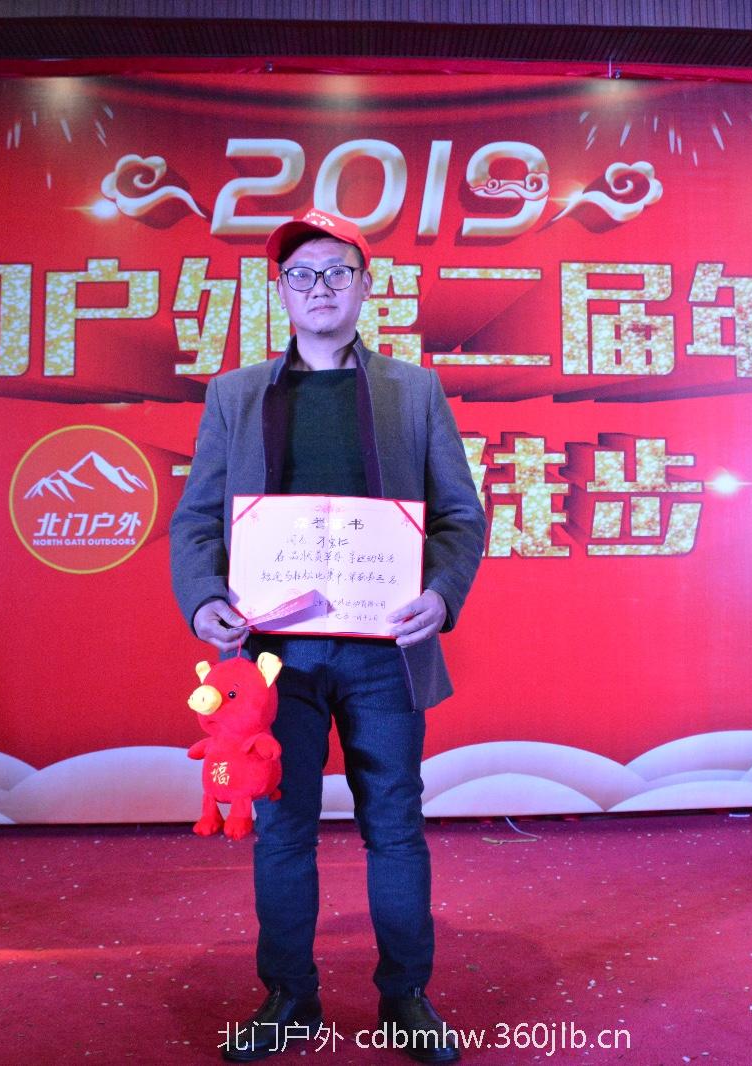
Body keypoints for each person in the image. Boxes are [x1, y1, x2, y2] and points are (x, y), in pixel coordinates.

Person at [170, 208, 487, 1063]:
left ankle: (406, 996)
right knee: (283, 830)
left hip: (387, 650)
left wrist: (441, 595)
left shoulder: (413, 391)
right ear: (281, 291)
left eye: (337, 273)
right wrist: (204, 601)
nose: (320, 288)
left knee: (396, 825)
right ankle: (290, 996)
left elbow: (460, 517)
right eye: (302, 275)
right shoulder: (236, 395)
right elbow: (196, 521)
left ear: (364, 286)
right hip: (274, 659)